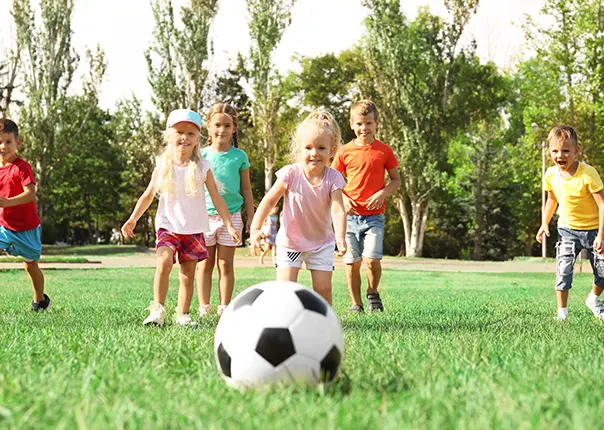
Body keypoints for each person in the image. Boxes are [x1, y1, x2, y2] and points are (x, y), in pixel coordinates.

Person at [121, 109, 241, 326]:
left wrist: (229, 225)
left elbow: (217, 199)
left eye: (190, 134)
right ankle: (157, 310)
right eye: (179, 132)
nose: (184, 137)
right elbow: (148, 195)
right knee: (164, 262)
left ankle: (183, 315)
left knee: (187, 274)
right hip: (168, 225)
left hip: (193, 229)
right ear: (170, 135)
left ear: (197, 139)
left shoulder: (203, 167)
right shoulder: (163, 164)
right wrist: (133, 218)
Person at [249, 111, 347, 305]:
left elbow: (338, 209)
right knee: (285, 291)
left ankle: (323, 325)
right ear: (299, 149)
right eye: (308, 147)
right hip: (291, 243)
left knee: (323, 290)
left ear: (332, 150)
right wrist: (255, 229)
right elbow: (269, 201)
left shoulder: (333, 178)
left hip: (321, 244)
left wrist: (341, 237)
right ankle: (285, 323)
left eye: (321, 148)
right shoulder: (290, 174)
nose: (314, 153)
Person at [332, 100, 401, 313]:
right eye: (360, 123)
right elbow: (332, 180)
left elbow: (396, 180)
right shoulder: (345, 151)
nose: (364, 128)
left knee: (372, 260)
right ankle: (356, 304)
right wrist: (343, 198)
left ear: (376, 124)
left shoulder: (384, 151)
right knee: (352, 262)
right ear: (352, 124)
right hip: (349, 217)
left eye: (369, 123)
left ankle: (372, 292)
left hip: (374, 217)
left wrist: (382, 193)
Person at [536, 125, 604, 320]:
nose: (560, 155)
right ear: (549, 151)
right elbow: (552, 199)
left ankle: (594, 298)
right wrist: (544, 223)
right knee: (563, 269)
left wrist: (601, 235)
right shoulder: (550, 174)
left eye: (566, 150)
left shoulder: (588, 173)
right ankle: (562, 314)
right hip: (567, 229)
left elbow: (602, 204)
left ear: (576, 150)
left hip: (593, 229)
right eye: (555, 151)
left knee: (602, 271)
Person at [196, 103, 254, 317]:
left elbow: (246, 189)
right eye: (217, 125)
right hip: (205, 217)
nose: (222, 130)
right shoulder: (200, 155)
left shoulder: (239, 156)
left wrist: (251, 218)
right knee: (205, 264)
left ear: (234, 129)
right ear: (208, 127)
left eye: (227, 125)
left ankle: (225, 307)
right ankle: (204, 307)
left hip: (233, 217)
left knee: (225, 264)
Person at [0, 118, 49, 311]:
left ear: (17, 143)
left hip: (27, 228)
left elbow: (30, 194)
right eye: (0, 142)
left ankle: (40, 300)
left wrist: (8, 202)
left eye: (8, 142)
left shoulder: (22, 167)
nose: (3, 146)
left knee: (30, 265)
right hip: (5, 226)